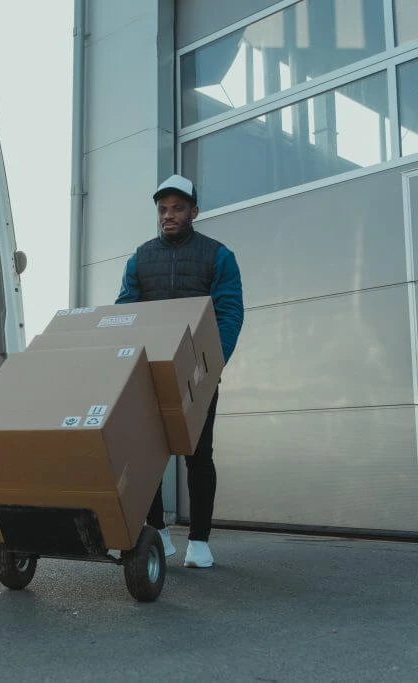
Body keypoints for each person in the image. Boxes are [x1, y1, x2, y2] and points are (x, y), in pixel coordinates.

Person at [115, 174, 244, 569]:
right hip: (148, 373)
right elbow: (125, 310)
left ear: (194, 211)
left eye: (177, 208)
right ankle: (158, 533)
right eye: (163, 209)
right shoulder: (140, 258)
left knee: (198, 455)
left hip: (197, 375)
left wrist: (211, 365)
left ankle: (200, 542)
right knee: (147, 455)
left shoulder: (218, 256)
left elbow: (229, 312)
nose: (168, 215)